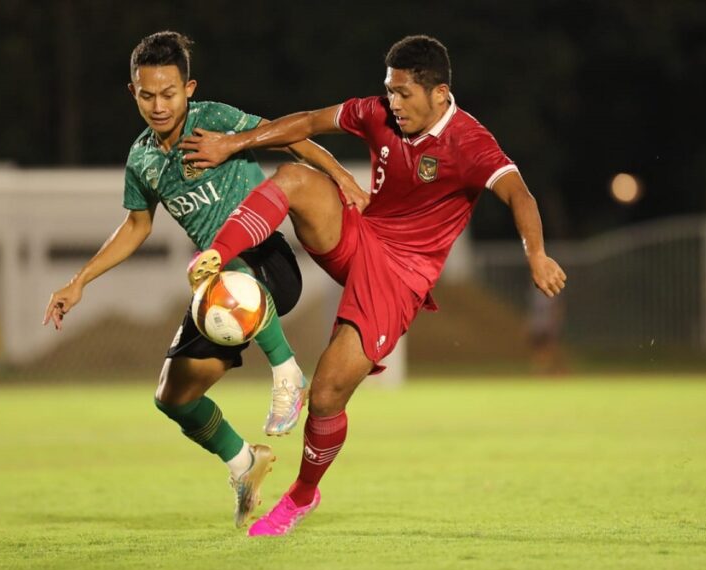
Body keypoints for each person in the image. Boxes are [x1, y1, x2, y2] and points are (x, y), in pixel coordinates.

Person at [180, 34, 567, 536]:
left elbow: (519, 195)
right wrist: (233, 143)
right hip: (361, 236)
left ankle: (301, 495)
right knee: (295, 177)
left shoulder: (469, 142)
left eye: (405, 94)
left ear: (441, 94)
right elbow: (307, 122)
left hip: (401, 277)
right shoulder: (378, 113)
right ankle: (217, 255)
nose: (394, 103)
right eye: (390, 91)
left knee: (326, 395)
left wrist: (535, 253)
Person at [41, 31, 355, 526]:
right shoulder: (142, 159)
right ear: (133, 92)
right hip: (216, 287)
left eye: (169, 93)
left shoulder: (214, 120)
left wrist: (341, 175)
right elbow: (137, 226)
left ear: (189, 88)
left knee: (221, 276)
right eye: (147, 95)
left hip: (265, 263)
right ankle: (244, 463)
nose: (159, 105)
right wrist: (80, 280)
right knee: (173, 396)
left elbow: (285, 133)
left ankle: (288, 373)